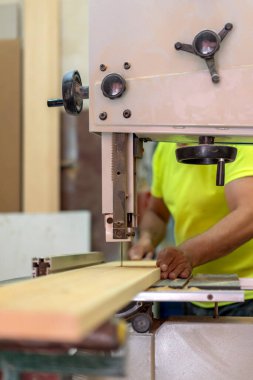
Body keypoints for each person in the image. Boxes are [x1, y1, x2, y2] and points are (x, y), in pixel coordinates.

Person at [128, 142, 253, 316]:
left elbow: (249, 213)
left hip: (245, 294)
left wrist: (188, 254)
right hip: (193, 291)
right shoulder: (165, 146)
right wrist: (146, 240)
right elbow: (157, 213)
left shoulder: (239, 139)